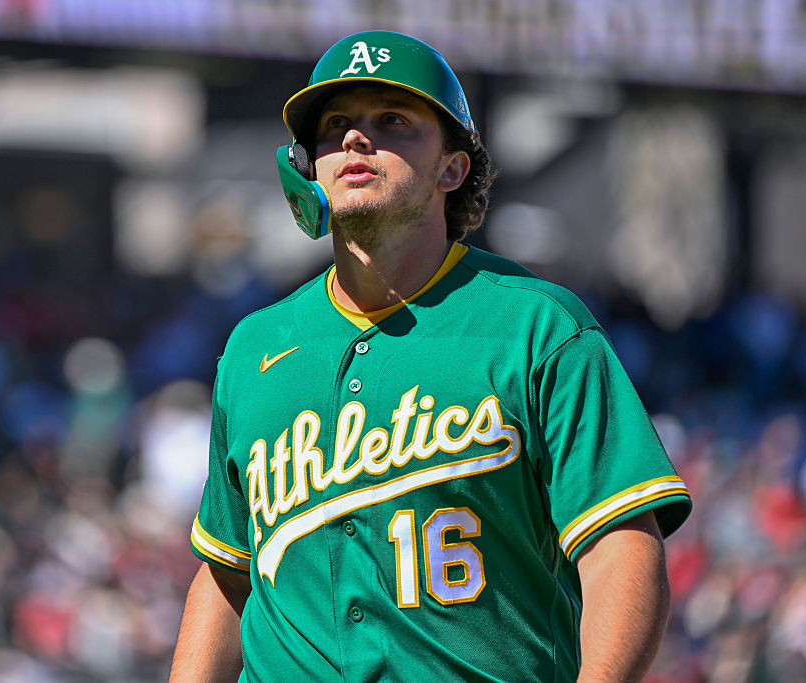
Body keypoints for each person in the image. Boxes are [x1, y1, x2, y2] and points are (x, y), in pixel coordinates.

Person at [170, 30, 692, 682]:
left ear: (452, 167)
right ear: (309, 166)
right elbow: (226, 577)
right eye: (335, 126)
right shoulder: (255, 347)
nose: (356, 140)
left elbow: (621, 547)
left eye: (392, 120)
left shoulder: (538, 327)